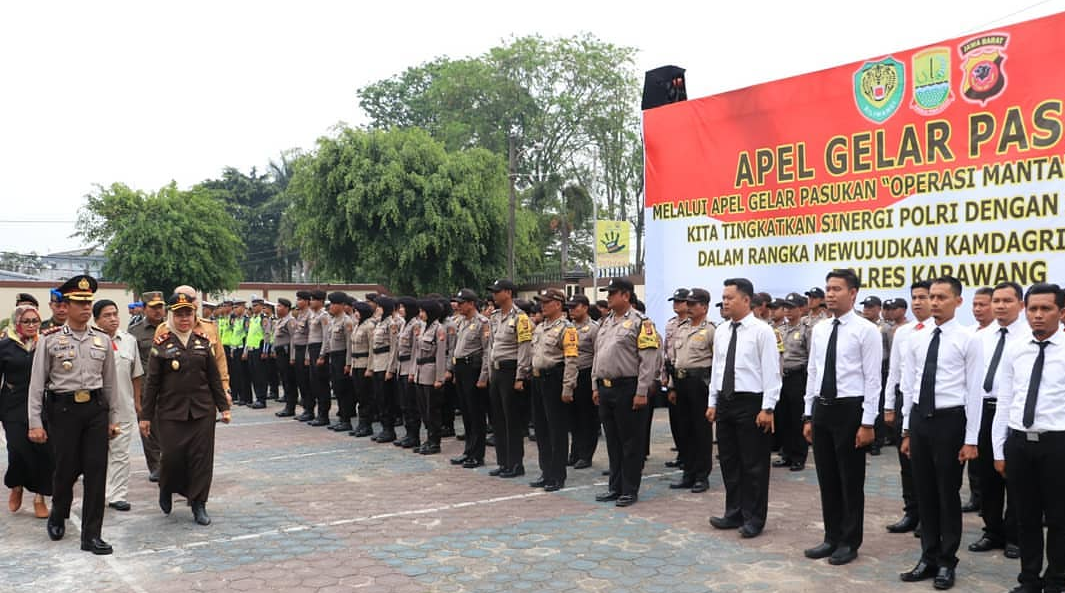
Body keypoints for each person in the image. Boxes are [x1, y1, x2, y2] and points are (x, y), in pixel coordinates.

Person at [899, 276, 982, 590]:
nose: (934, 303)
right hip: (921, 420)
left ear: (958, 301)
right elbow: (909, 386)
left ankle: (948, 561)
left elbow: (974, 391)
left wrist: (971, 439)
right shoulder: (917, 337)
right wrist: (907, 429)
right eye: (931, 296)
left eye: (941, 297)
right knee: (925, 492)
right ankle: (927, 556)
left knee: (947, 493)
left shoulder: (967, 339)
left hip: (950, 421)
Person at [27, 275, 119, 555]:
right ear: (66, 306)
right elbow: (36, 384)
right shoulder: (50, 340)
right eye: (79, 302)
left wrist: (114, 419)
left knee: (96, 470)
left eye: (88, 301)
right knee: (65, 469)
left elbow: (111, 383)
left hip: (95, 410)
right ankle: (58, 513)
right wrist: (34, 422)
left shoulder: (102, 340)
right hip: (63, 410)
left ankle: (92, 535)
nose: (86, 307)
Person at [801, 269, 883, 566]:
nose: (830, 294)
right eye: (828, 288)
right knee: (827, 477)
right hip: (822, 408)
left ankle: (850, 541)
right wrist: (808, 414)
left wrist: (867, 422)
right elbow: (813, 372)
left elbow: (873, 380)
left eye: (837, 288)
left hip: (850, 409)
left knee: (850, 479)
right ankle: (831, 536)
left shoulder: (866, 330)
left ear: (853, 293)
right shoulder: (821, 329)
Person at [992, 283, 1065, 593]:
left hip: (1058, 444)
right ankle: (1029, 580)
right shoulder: (1016, 348)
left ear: (1061, 312)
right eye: (1033, 308)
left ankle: (1057, 580)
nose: (1037, 315)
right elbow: (1006, 399)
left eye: (1045, 308)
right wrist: (999, 448)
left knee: (1060, 519)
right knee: (1026, 517)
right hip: (1020, 443)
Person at [139, 292, 231, 526]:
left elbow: (214, 378)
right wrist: (146, 416)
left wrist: (224, 407)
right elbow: (152, 383)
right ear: (171, 316)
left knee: (201, 459)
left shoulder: (203, 343)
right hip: (171, 411)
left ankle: (199, 504)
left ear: (193, 315)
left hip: (202, 411)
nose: (184, 319)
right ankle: (166, 488)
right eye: (179, 314)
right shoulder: (162, 345)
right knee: (171, 457)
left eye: (188, 314)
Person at [707, 277, 781, 538]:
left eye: (730, 297)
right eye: (724, 297)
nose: (725, 302)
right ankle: (734, 512)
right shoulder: (723, 330)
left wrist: (768, 408)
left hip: (752, 403)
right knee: (729, 461)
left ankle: (754, 518)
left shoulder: (762, 331)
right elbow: (717, 368)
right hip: (726, 401)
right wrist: (712, 402)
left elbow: (772, 372)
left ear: (746, 300)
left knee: (754, 465)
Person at [968, 282, 1025, 558]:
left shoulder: (1028, 336)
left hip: (1013, 413)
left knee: (1013, 476)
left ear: (1021, 305)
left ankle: (1014, 535)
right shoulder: (980, 336)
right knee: (986, 475)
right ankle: (992, 531)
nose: (1000, 306)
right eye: (997, 301)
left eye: (1007, 301)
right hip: (983, 411)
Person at [592, 278, 660, 507]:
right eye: (608, 293)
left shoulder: (642, 322)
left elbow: (648, 361)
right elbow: (598, 356)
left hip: (628, 388)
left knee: (631, 442)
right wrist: (595, 385)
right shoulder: (605, 322)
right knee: (613, 441)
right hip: (606, 387)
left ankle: (629, 489)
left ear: (626, 296)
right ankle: (615, 486)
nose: (608, 297)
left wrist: (642, 391)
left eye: (613, 293)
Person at [883, 284, 930, 535]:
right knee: (906, 460)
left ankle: (929, 515)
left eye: (924, 297)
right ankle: (911, 511)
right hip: (904, 399)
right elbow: (894, 370)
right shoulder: (903, 332)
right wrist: (889, 404)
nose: (919, 302)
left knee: (925, 462)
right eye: (915, 298)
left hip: (928, 402)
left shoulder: (942, 333)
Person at [1, 304, 52, 519]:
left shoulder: (46, 344)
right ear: (17, 322)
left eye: (35, 321)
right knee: (18, 449)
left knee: (43, 452)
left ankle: (40, 497)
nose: (32, 326)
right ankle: (17, 485)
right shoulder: (5, 346)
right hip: (13, 406)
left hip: (42, 406)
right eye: (27, 321)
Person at [94, 299, 144, 513]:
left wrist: (138, 402)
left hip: (123, 405)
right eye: (107, 315)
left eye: (115, 314)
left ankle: (117, 495)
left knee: (121, 453)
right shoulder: (89, 341)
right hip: (95, 408)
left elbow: (136, 374)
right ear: (96, 319)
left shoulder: (129, 341)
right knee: (97, 453)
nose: (113, 319)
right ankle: (98, 492)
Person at [665, 288, 715, 493]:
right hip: (681, 381)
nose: (689, 307)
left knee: (700, 431)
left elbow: (717, 362)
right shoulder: (681, 327)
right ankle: (688, 473)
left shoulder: (711, 330)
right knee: (684, 430)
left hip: (699, 384)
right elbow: (674, 359)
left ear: (704, 306)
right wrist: (671, 385)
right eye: (688, 303)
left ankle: (702, 476)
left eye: (694, 304)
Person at [528, 288, 578, 491]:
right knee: (541, 429)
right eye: (541, 302)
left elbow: (571, 360)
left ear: (558, 304)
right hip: (538, 379)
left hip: (554, 379)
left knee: (556, 430)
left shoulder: (567, 329)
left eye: (546, 302)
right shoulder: (540, 327)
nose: (542, 305)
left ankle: (557, 475)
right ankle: (545, 471)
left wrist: (568, 387)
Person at [486, 279, 533, 478]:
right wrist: (489, 371)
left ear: (508, 293)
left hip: (511, 371)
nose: (494, 295)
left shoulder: (521, 318)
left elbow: (524, 348)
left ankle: (515, 463)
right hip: (496, 371)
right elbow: (491, 345)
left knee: (511, 420)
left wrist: (520, 375)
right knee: (497, 419)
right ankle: (503, 462)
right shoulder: (495, 317)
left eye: (497, 292)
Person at [448, 289, 491, 468]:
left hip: (473, 368)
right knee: (466, 412)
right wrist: (453, 371)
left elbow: (487, 351)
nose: (458, 305)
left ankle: (477, 454)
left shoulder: (483, 322)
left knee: (476, 413)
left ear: (471, 303)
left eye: (462, 302)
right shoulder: (462, 322)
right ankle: (468, 450)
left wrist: (483, 377)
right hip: (461, 368)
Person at [128, 290, 167, 482]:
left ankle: (171, 463)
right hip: (145, 388)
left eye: (161, 307)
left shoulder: (172, 328)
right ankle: (156, 466)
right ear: (144, 309)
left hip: (171, 388)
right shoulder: (134, 333)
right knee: (148, 428)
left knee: (171, 427)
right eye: (153, 308)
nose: (158, 311)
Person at [776, 293, 810, 471]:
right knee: (783, 418)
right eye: (785, 307)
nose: (787, 311)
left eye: (791, 307)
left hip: (798, 377)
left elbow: (811, 356)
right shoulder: (780, 329)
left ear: (800, 309)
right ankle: (786, 453)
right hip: (782, 377)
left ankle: (798, 456)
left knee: (797, 418)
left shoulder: (806, 329)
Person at [565, 294, 599, 469]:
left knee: (587, 418)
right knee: (573, 418)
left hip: (586, 374)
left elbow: (598, 355)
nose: (571, 310)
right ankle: (575, 452)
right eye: (569, 307)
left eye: (575, 307)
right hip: (571, 375)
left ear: (585, 307)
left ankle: (586, 455)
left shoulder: (594, 328)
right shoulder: (567, 327)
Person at [413, 298, 448, 454]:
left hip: (431, 372)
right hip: (421, 372)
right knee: (423, 409)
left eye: (423, 311)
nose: (421, 314)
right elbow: (416, 352)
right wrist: (414, 372)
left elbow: (441, 356)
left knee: (432, 409)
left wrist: (439, 378)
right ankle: (428, 439)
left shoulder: (439, 329)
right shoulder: (422, 327)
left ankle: (435, 442)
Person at [661, 288, 690, 470]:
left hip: (687, 376)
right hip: (672, 375)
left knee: (688, 421)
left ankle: (689, 455)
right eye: (675, 301)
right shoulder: (670, 324)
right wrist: (664, 375)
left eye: (680, 301)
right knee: (675, 419)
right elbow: (666, 352)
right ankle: (681, 452)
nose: (676, 304)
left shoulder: (692, 324)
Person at [322, 292, 354, 431]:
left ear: (342, 305)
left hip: (342, 357)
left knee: (344, 388)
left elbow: (349, 345)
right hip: (334, 357)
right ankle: (342, 418)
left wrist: (348, 363)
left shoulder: (347, 321)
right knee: (337, 388)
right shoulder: (333, 320)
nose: (331, 307)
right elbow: (328, 341)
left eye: (334, 304)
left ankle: (346, 420)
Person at [348, 301, 378, 437]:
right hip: (356, 364)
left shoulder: (369, 326)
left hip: (365, 364)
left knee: (366, 397)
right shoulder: (357, 326)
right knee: (359, 396)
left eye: (357, 311)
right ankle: (361, 423)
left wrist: (370, 368)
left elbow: (372, 349)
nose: (355, 313)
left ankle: (367, 425)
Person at [306, 290, 331, 425]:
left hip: (320, 350)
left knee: (322, 383)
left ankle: (324, 414)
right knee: (314, 383)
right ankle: (318, 413)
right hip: (312, 349)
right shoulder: (313, 315)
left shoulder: (324, 315)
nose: (311, 302)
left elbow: (326, 337)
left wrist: (322, 355)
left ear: (321, 301)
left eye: (313, 299)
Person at [272, 298, 296, 416]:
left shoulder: (290, 321)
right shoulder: (280, 321)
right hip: (280, 353)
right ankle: (288, 405)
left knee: (289, 381)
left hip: (286, 353)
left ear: (287, 308)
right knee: (285, 380)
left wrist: (292, 356)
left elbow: (293, 339)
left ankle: (290, 407)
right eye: (277, 306)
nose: (277, 308)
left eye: (280, 306)